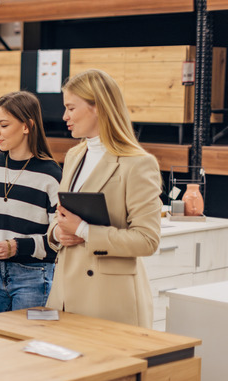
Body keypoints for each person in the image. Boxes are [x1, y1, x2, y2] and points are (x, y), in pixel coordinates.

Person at [46, 69, 162, 328]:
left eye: (71, 108)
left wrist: (85, 231)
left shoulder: (138, 164)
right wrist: (57, 233)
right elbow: (61, 217)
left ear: (97, 107)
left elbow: (147, 240)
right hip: (65, 294)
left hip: (109, 299)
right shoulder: (75, 156)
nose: (65, 116)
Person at [0, 91, 62, 317]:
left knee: (24, 347)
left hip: (34, 277)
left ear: (27, 126)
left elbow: (59, 240)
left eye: (3, 125)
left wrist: (17, 246)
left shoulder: (51, 176)